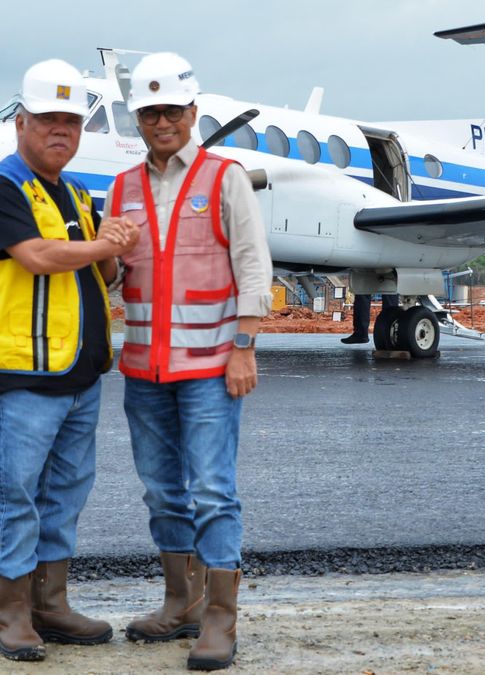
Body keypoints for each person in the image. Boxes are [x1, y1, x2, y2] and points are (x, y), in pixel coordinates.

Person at [0, 58, 139, 662]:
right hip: (20, 374)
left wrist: (116, 247)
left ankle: (52, 604)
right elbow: (36, 256)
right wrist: (101, 242)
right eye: (47, 121)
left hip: (79, 373)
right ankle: (12, 614)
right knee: (17, 493)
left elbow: (103, 273)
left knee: (66, 490)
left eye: (70, 121)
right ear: (20, 122)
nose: (60, 131)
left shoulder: (75, 193)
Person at [109, 52, 272, 671]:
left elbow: (254, 266)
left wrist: (244, 347)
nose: (161, 122)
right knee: (160, 492)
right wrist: (104, 253)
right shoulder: (122, 188)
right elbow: (111, 271)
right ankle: (181, 602)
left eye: (171, 111)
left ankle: (221, 621)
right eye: (149, 112)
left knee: (212, 490)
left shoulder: (223, 176)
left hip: (210, 367)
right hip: (145, 369)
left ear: (192, 112)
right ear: (138, 119)